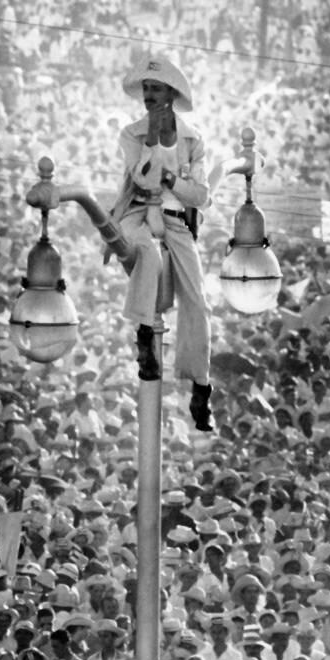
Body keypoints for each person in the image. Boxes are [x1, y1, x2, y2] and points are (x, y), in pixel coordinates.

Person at [111, 53, 213, 431]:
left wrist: (173, 182)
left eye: (156, 89)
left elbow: (199, 195)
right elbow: (144, 182)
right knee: (148, 258)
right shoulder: (132, 133)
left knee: (198, 301)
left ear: (170, 93)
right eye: (146, 89)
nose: (149, 96)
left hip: (176, 221)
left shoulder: (193, 138)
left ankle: (200, 385)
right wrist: (153, 142)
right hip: (138, 213)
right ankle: (143, 338)